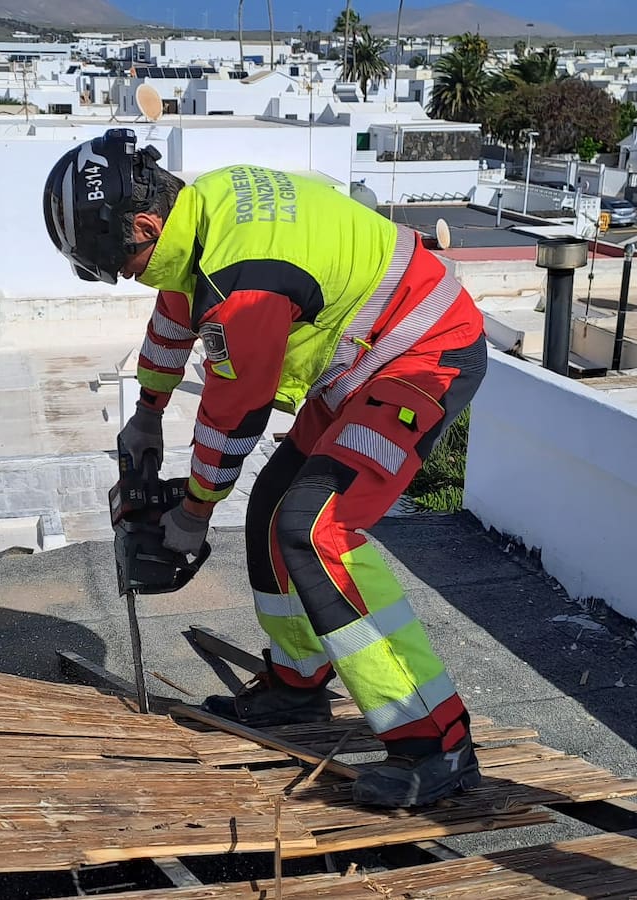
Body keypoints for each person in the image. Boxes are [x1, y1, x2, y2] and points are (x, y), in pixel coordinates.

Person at [44, 129, 488, 808]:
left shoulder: (242, 280)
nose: (127, 274)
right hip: (362, 370)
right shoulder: (203, 218)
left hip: (424, 356)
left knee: (315, 529)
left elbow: (233, 416)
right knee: (271, 514)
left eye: (122, 260)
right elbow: (173, 317)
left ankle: (438, 743)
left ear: (143, 224)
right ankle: (297, 684)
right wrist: (147, 413)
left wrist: (191, 518)